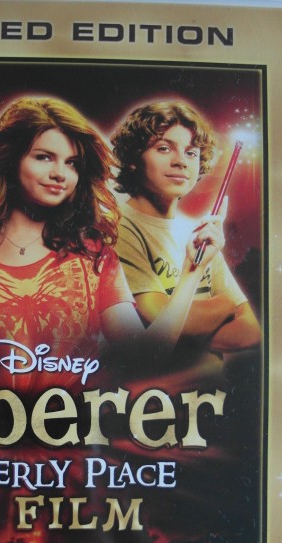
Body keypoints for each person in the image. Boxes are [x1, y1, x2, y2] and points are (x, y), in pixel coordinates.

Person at [0, 97, 228, 385]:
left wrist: (192, 271)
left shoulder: (94, 254)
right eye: (44, 158)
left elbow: (142, 356)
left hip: (72, 442)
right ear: (10, 160)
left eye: (71, 163)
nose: (60, 173)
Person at [111, 100, 261, 373]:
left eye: (191, 153)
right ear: (133, 159)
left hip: (212, 392)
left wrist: (180, 333)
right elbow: (156, 315)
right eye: (164, 148)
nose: (180, 161)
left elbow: (250, 330)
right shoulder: (118, 227)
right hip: (154, 391)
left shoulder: (200, 232)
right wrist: (224, 305)